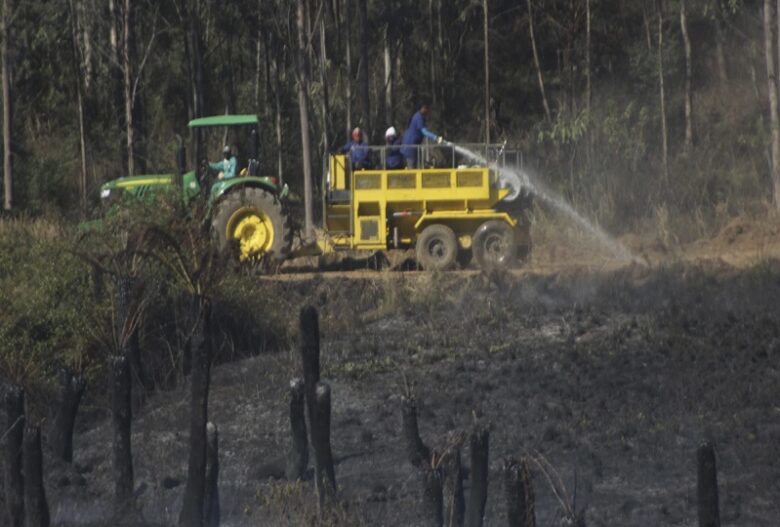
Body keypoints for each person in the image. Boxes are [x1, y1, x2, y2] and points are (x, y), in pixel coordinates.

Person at [400, 101, 445, 169]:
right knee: (412, 168)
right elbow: (424, 132)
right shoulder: (418, 117)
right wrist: (436, 138)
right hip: (410, 146)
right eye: (427, 108)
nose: (428, 111)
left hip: (413, 146)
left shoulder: (419, 116)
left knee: (419, 165)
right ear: (423, 108)